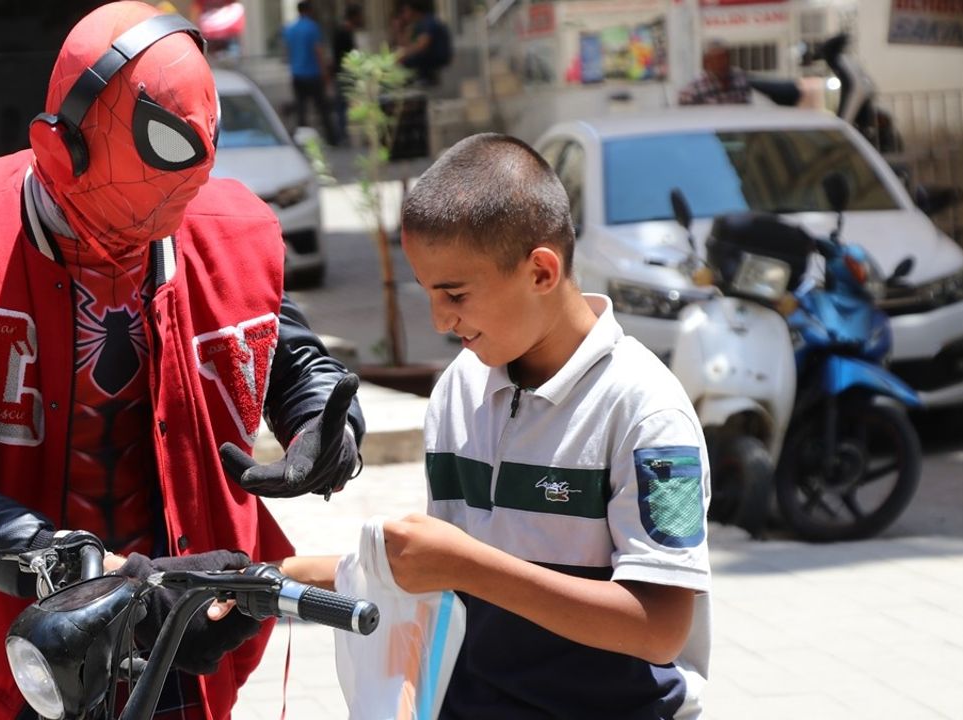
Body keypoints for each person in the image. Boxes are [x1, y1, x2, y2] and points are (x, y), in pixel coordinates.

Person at [0, 4, 365, 719]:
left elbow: (298, 364)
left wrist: (325, 430)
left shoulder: (224, 236)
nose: (138, 245)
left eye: (173, 211)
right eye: (118, 221)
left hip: (183, 642)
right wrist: (104, 575)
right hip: (7, 658)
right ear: (55, 151)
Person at [286, 133, 712, 718]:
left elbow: (659, 628)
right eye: (428, 293)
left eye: (454, 293)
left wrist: (466, 565)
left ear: (540, 271)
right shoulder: (459, 388)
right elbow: (441, 581)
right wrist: (264, 576)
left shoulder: (646, 411)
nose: (439, 319)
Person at [282, 1, 338, 145]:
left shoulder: (290, 29)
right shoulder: (312, 27)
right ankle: (332, 139)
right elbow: (318, 51)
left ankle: (302, 140)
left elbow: (287, 51)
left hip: (297, 74)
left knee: (301, 110)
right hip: (312, 74)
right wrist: (324, 72)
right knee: (322, 108)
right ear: (309, 10)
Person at [396, 0, 451, 88]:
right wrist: (401, 29)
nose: (404, 15)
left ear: (413, 11)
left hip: (436, 56)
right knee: (403, 59)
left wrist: (403, 54)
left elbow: (422, 45)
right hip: (428, 54)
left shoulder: (428, 21)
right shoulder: (417, 24)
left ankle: (425, 79)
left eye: (406, 11)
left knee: (405, 60)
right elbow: (406, 45)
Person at [678, 39, 751, 105]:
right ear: (706, 63)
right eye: (716, 60)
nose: (722, 63)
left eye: (725, 58)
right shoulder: (693, 91)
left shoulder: (740, 78)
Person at [331, 4, 363, 145]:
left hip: (341, 71)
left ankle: (343, 135)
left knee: (342, 105)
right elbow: (350, 55)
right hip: (345, 72)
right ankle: (343, 135)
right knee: (343, 104)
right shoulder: (344, 33)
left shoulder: (341, 31)